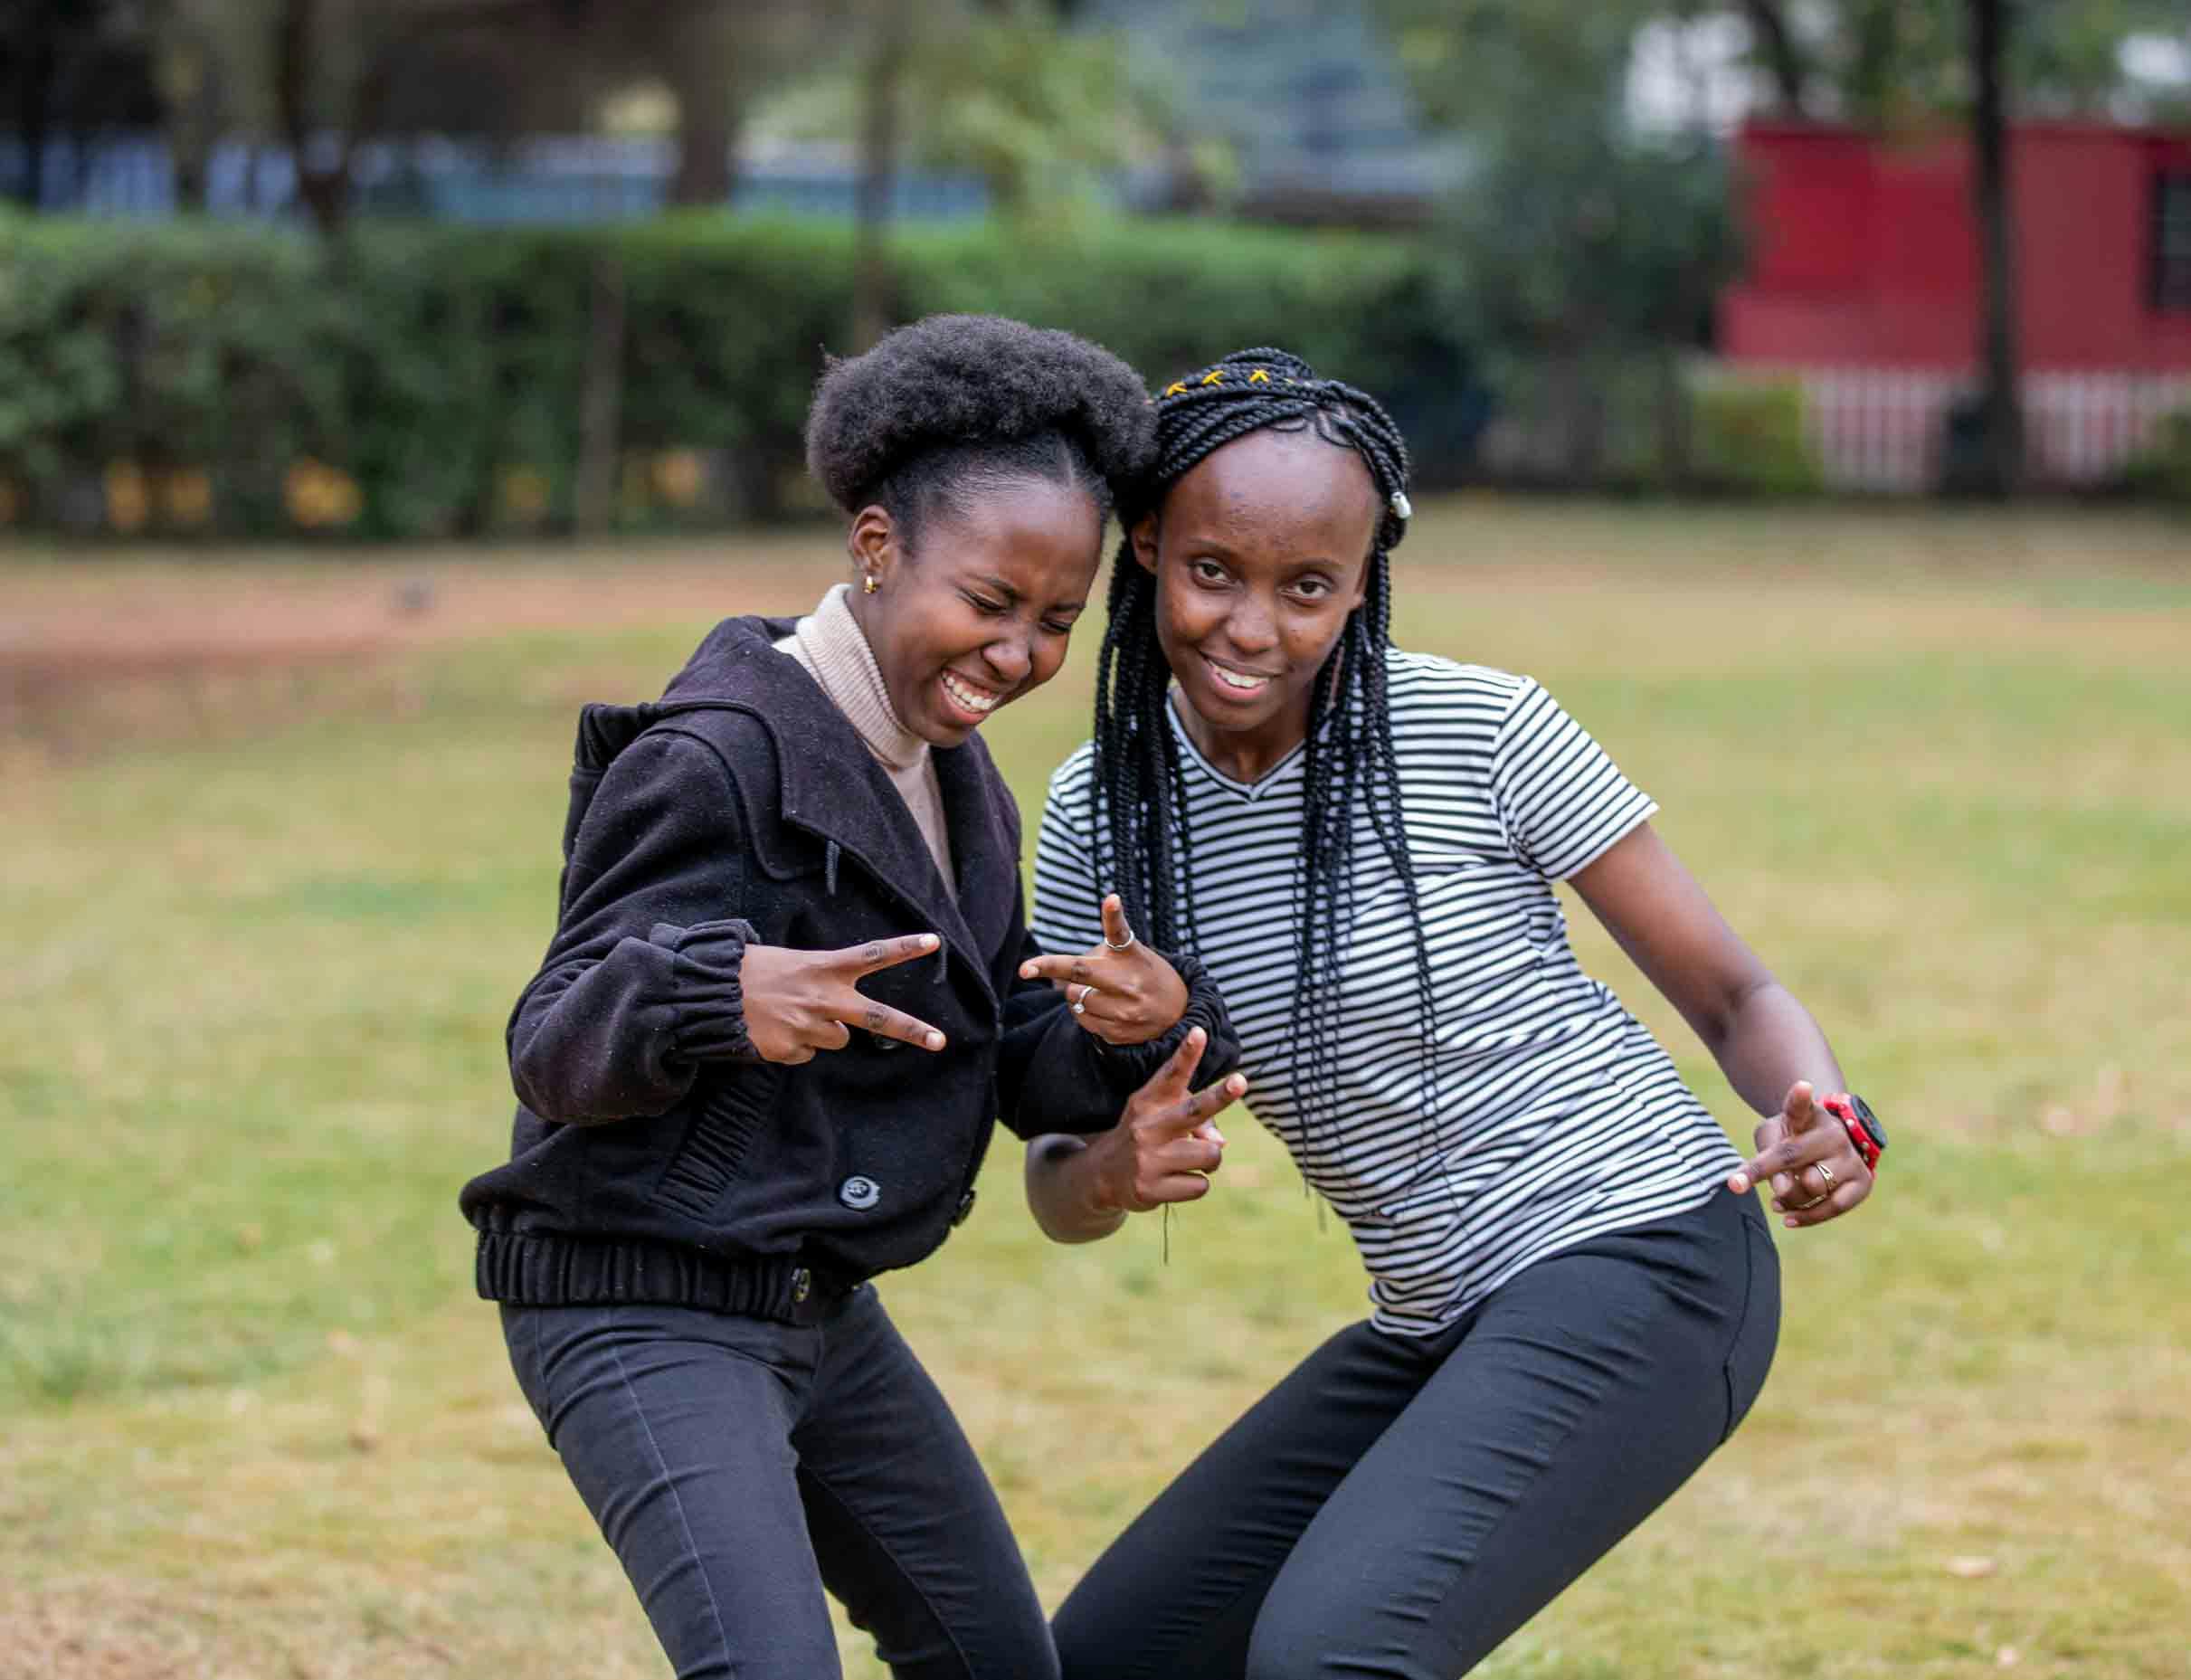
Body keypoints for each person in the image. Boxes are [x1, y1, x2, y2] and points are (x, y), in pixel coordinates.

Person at [1021, 348, 1887, 1680]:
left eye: (1307, 586)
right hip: (1432, 1313)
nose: (1253, 628)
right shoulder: (1100, 817)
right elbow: (1055, 1188)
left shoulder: (1478, 728)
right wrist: (1118, 1159)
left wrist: (1825, 1109)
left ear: (1360, 583)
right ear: (1145, 547)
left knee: (1330, 1658)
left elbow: (1734, 991)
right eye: (1213, 573)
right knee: (1108, 1658)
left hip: (1642, 1256)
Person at [459, 314, 1247, 1680]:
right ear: (876, 546)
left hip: (818, 1309)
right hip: (640, 1298)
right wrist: (723, 991)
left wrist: (1132, 1029)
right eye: (990, 602)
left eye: (1057, 620)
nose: (1019, 653)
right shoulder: (715, 757)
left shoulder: (957, 785)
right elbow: (554, 1037)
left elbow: (999, 1052)